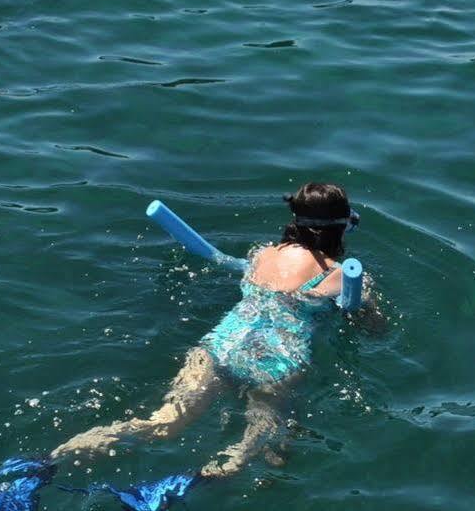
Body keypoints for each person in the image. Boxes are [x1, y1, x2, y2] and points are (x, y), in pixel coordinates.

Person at [48, 183, 361, 482]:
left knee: (162, 423)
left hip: (220, 347)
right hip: (276, 362)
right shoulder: (336, 275)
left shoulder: (262, 255)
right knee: (257, 448)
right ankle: (189, 486)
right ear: (340, 227)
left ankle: (46, 462)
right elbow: (368, 322)